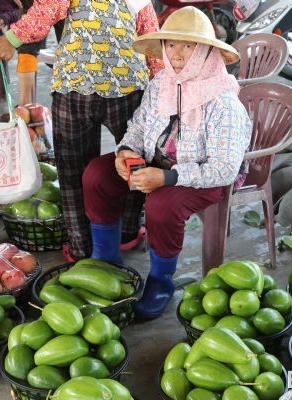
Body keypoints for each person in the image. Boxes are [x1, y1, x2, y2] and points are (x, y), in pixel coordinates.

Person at [81, 7, 252, 320]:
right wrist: (126, 151)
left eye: (187, 45)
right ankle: (105, 261)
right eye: (171, 44)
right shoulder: (162, 82)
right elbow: (139, 123)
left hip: (203, 177)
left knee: (161, 205)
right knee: (96, 175)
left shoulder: (223, 101)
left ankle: (161, 282)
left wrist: (168, 178)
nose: (177, 54)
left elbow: (224, 168)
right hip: (156, 162)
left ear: (205, 51)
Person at [0, 0, 163, 262]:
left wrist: (11, 38)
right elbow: (152, 40)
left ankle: (81, 246)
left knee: (73, 170)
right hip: (127, 85)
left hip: (74, 85)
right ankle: (126, 233)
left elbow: (47, 9)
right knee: (133, 164)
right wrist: (159, 90)